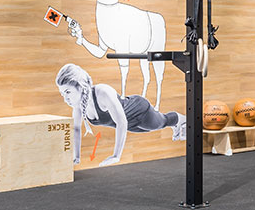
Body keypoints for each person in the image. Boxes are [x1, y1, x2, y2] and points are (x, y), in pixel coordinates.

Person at [55, 63, 185, 167]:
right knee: (152, 129)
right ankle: (177, 125)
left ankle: (181, 119)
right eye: (62, 94)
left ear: (80, 87)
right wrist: (76, 156)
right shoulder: (78, 105)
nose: (65, 98)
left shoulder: (102, 92)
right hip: (128, 125)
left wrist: (116, 155)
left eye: (67, 92)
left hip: (139, 111)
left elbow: (121, 122)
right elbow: (76, 128)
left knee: (162, 123)